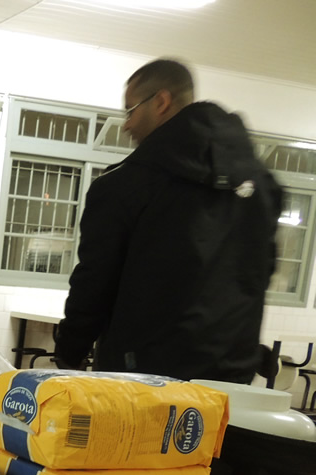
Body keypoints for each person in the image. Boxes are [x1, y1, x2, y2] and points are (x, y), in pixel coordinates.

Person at [54, 59, 282, 383]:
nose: (126, 125)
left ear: (161, 102)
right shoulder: (262, 188)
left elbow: (95, 282)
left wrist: (69, 352)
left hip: (145, 379)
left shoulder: (125, 186)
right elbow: (260, 273)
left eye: (130, 111)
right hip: (231, 378)